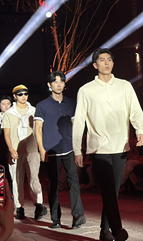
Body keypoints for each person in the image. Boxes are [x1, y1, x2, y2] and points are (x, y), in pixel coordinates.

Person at [73, 48, 143, 241]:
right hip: (98, 147)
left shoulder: (124, 86)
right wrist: (77, 149)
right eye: (102, 59)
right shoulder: (86, 90)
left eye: (109, 59)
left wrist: (140, 130)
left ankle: (104, 232)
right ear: (95, 65)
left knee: (112, 192)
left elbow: (135, 111)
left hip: (121, 146)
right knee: (107, 189)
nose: (106, 63)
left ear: (113, 63)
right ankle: (117, 229)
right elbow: (79, 121)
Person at [35, 70, 86, 229]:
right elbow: (37, 129)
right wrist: (41, 149)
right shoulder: (42, 106)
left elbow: (76, 126)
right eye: (55, 82)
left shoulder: (71, 103)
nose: (59, 85)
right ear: (49, 85)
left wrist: (78, 148)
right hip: (51, 150)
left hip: (69, 147)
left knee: (74, 181)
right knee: (53, 184)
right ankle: (55, 219)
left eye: (61, 82)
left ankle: (78, 216)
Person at [3, 85, 46, 221]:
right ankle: (19, 207)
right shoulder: (9, 113)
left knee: (34, 178)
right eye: (20, 94)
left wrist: (41, 148)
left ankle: (39, 205)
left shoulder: (34, 111)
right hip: (16, 151)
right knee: (17, 180)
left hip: (32, 149)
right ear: (15, 96)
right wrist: (11, 149)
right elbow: (7, 133)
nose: (23, 96)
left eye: (25, 94)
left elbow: (39, 130)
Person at [0, 96, 13, 193]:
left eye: (8, 104)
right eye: (3, 104)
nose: (6, 106)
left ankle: (10, 193)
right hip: (1, 147)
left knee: (10, 171)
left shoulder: (14, 116)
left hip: (11, 146)